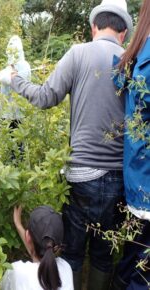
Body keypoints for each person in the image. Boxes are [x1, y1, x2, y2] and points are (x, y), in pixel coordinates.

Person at [0, 0, 133, 289]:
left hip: (81, 174)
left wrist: (14, 79)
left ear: (94, 26)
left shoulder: (78, 53)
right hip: (120, 177)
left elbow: (45, 97)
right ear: (124, 32)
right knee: (103, 254)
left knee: (71, 250)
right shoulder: (131, 59)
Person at [111, 0, 150, 288]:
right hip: (145, 182)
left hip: (137, 179)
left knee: (133, 260)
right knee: (140, 269)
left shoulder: (137, 53)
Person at [1, 205, 73, 290]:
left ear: (27, 236)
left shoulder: (16, 271)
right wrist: (18, 225)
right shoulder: (66, 268)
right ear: (57, 246)